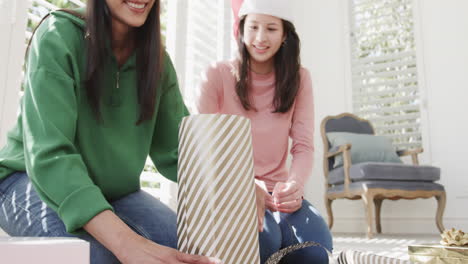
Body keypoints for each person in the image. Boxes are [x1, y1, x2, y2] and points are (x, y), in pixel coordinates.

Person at [0, 1, 221, 263]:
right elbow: (49, 155)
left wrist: (233, 183)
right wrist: (127, 243)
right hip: (28, 180)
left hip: (112, 193)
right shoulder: (57, 34)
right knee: (102, 258)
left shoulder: (156, 60)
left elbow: (180, 149)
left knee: (189, 252)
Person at [196, 0, 333, 263]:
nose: (260, 38)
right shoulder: (216, 75)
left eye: (271, 28)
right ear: (241, 28)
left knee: (317, 251)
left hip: (278, 195)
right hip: (232, 190)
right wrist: (244, 184)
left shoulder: (300, 78)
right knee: (264, 240)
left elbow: (303, 146)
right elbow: (202, 149)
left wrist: (295, 184)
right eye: (254, 26)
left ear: (284, 35)